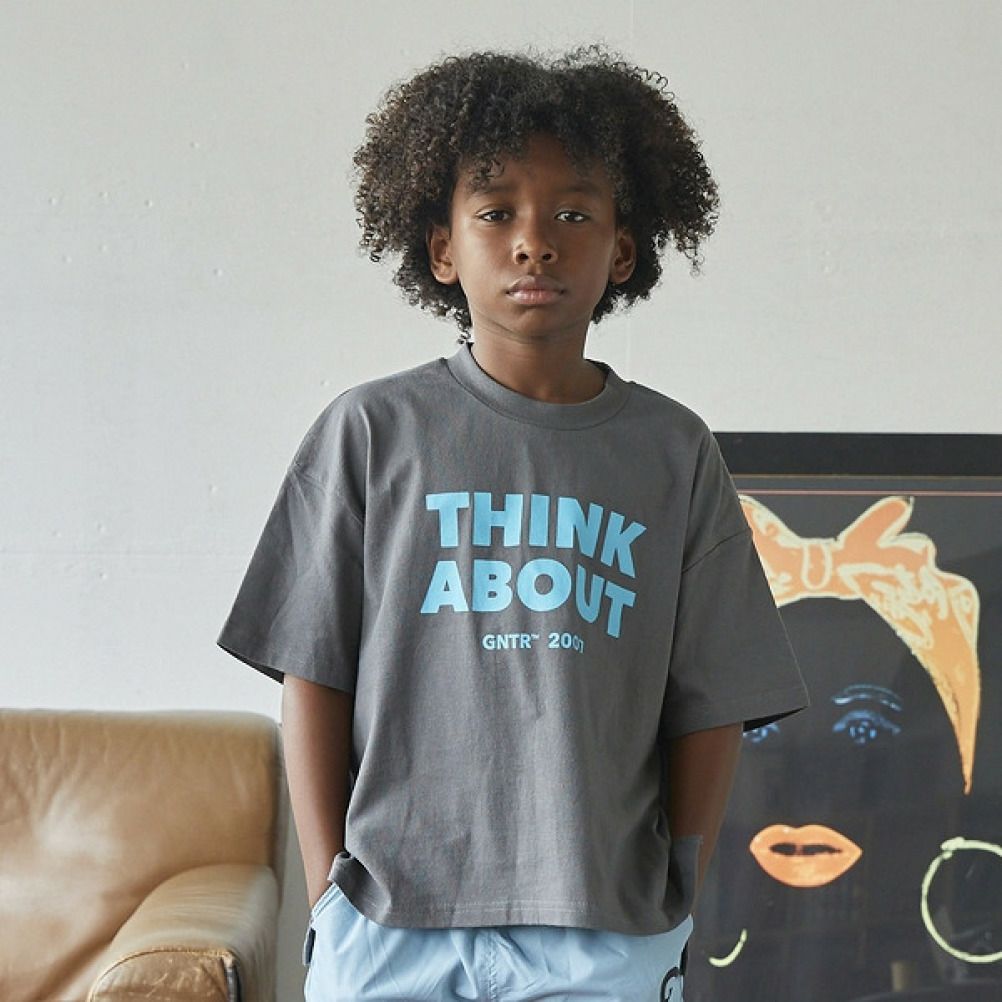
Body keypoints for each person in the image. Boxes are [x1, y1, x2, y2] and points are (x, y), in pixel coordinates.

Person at [217, 46, 809, 1002]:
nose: (536, 242)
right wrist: (331, 889)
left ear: (623, 250)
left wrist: (679, 889)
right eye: (497, 213)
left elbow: (714, 697)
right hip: (392, 919)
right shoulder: (371, 432)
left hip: (604, 926)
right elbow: (312, 673)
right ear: (443, 249)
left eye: (574, 214)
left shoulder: (672, 451)